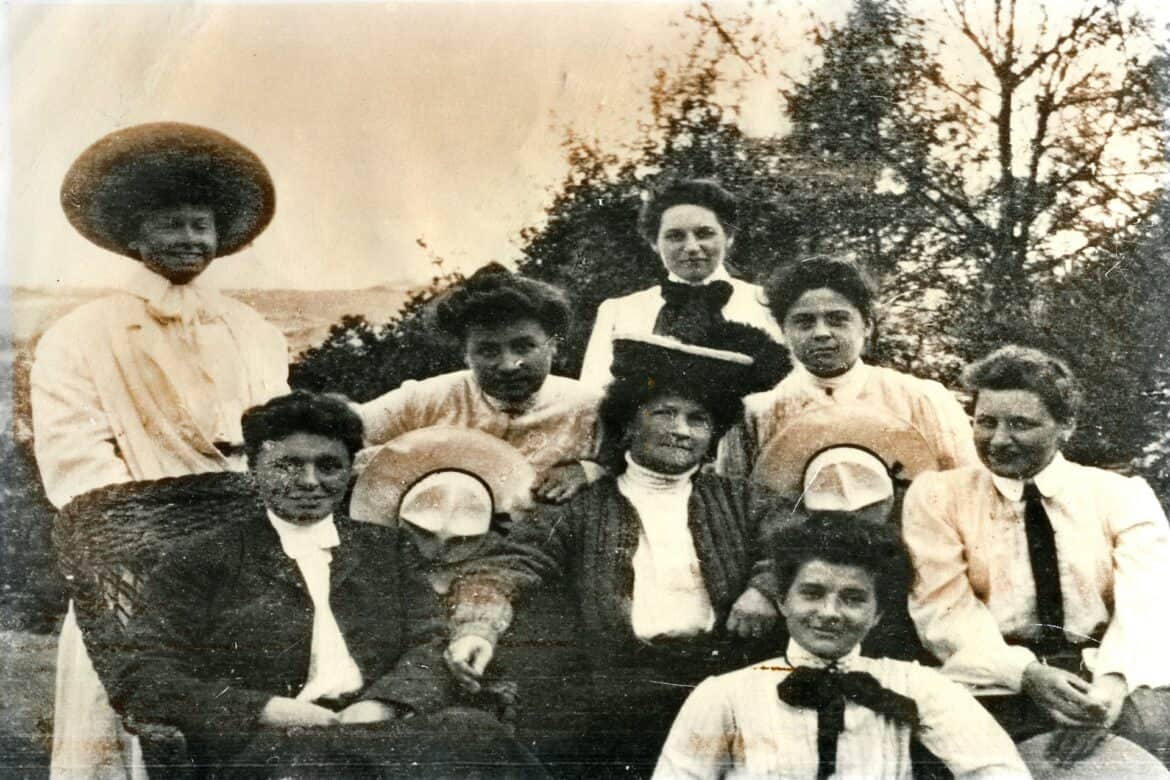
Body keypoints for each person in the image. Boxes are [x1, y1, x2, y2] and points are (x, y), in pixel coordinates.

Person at [104, 392, 543, 778]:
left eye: (329, 466)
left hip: (382, 724)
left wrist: (383, 705)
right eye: (289, 465)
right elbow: (144, 674)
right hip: (275, 742)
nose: (311, 482)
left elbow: (428, 642)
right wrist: (265, 709)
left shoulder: (385, 550)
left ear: (349, 471)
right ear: (254, 469)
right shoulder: (202, 559)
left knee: (478, 736)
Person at [33, 122, 289, 780]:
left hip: (245, 562)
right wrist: (162, 543)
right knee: (129, 731)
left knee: (252, 723)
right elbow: (79, 465)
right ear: (135, 236)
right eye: (171, 224)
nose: (189, 240)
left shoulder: (254, 331)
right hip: (130, 570)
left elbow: (276, 440)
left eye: (200, 224)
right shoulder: (76, 337)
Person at [445, 334, 787, 776]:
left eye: (697, 419)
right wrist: (476, 629)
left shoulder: (744, 501)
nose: (681, 430)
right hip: (619, 697)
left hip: (722, 690)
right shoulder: (580, 505)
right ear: (630, 420)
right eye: (664, 413)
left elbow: (799, 544)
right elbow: (505, 568)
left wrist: (764, 588)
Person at [903, 345, 1170, 768]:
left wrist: (1111, 686)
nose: (999, 440)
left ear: (1066, 425)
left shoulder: (1122, 495)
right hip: (992, 676)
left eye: (1021, 424)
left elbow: (1150, 603)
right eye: (986, 422)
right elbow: (942, 608)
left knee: (1145, 744)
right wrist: (1024, 675)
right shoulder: (938, 497)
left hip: (1108, 670)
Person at [653, 514, 1029, 779]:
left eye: (853, 598)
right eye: (812, 594)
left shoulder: (915, 685)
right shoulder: (725, 696)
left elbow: (998, 769)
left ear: (878, 612)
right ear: (782, 601)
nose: (829, 613)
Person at [357, 264, 601, 504]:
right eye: (488, 350)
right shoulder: (427, 400)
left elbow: (629, 463)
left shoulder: (591, 408)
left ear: (553, 345)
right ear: (466, 354)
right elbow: (343, 432)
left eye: (524, 346)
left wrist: (589, 470)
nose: (508, 365)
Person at [718, 256, 977, 480]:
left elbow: (966, 491)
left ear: (867, 326)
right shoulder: (757, 413)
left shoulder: (921, 400)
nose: (821, 333)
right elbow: (736, 508)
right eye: (804, 322)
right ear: (784, 331)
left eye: (837, 319)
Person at [579, 179, 782, 388]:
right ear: (654, 243)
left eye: (705, 233)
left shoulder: (767, 303)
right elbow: (591, 395)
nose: (692, 246)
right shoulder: (618, 311)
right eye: (675, 236)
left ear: (728, 236)